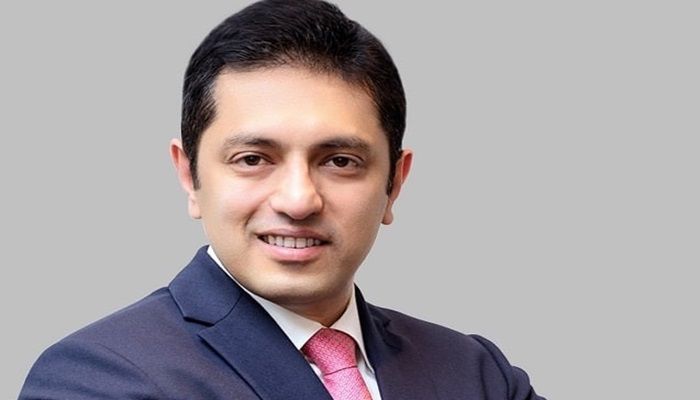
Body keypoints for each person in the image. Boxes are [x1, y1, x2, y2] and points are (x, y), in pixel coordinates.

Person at [20, 1, 545, 399]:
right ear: (189, 176)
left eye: (340, 161)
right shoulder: (99, 377)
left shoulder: (476, 374)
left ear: (394, 184)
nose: (298, 200)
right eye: (253, 158)